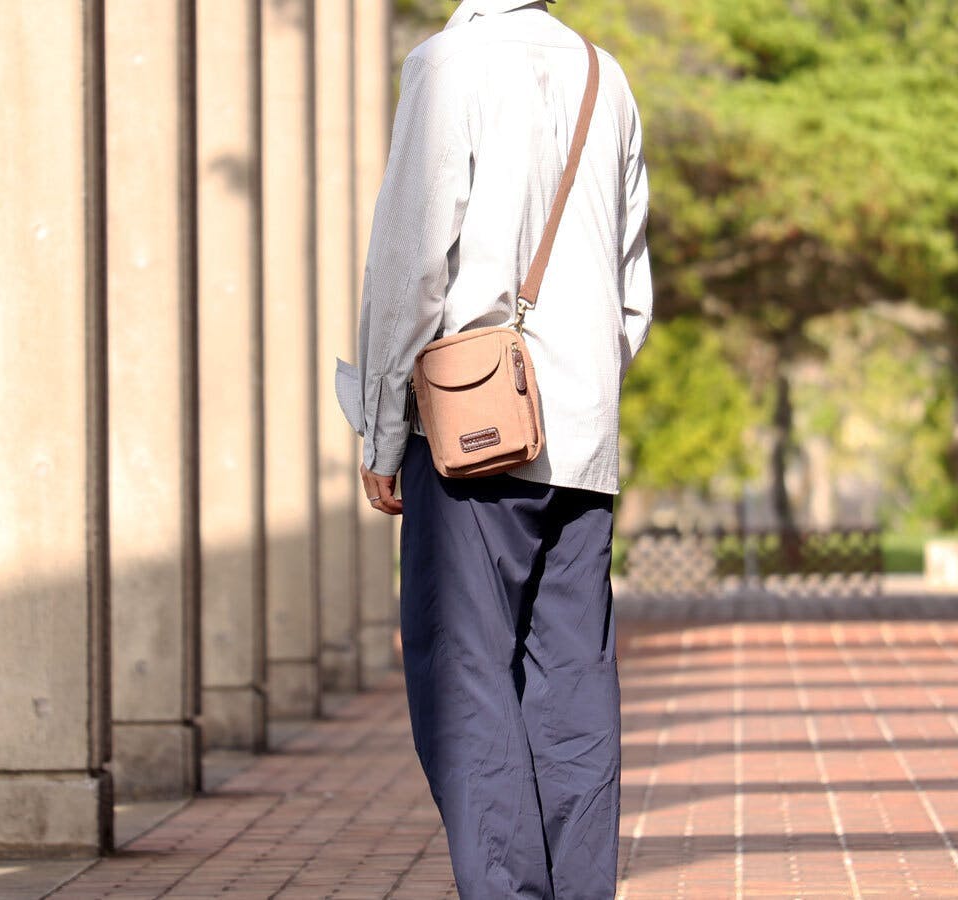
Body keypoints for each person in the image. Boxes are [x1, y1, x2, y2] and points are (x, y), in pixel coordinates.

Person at [350, 0, 653, 896]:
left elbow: (409, 266)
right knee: (574, 684)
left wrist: (382, 428)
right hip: (582, 436)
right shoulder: (606, 76)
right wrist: (582, 385)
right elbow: (632, 288)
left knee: (464, 681)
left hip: (470, 438)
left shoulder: (447, 64)